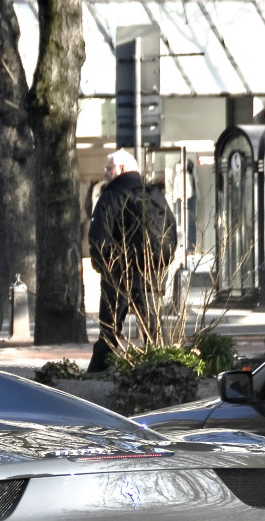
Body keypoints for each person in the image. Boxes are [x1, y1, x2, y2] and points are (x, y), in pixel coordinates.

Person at [86, 149, 175, 373]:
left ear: (122, 169)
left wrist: (104, 268)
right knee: (154, 332)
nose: (105, 174)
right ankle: (165, 376)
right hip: (150, 274)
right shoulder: (155, 194)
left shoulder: (111, 196)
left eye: (109, 169)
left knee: (109, 333)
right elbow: (171, 232)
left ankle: (92, 381)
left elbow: (99, 238)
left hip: (119, 277)